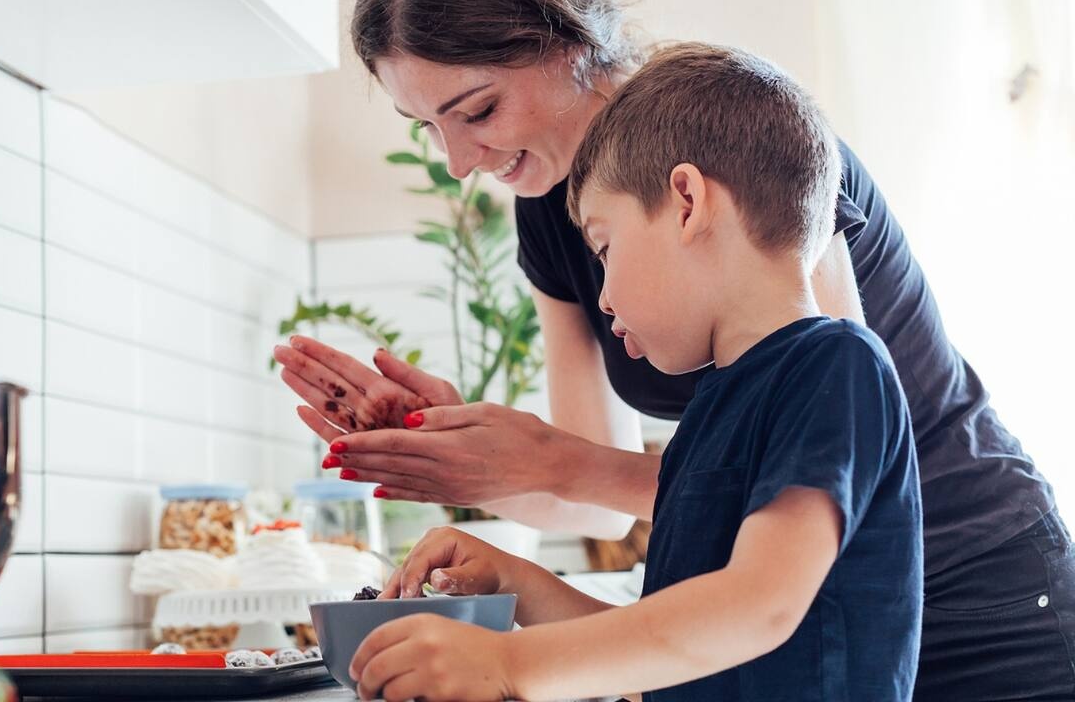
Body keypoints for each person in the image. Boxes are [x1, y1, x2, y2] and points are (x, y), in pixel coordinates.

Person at [272, 0, 1075, 696]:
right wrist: (453, 450)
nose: (456, 161)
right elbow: (613, 510)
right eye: (428, 127)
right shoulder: (556, 216)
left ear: (567, 41)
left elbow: (802, 522)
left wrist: (514, 657)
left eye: (477, 110)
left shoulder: (750, 149)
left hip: (977, 583)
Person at [347, 43, 923, 702]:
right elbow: (671, 660)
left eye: (605, 248)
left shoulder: (835, 366)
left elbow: (757, 607)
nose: (602, 297)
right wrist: (517, 586)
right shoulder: (714, 411)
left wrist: (509, 663)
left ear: (686, 202)